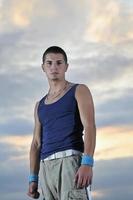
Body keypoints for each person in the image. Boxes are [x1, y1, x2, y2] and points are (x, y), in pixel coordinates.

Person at [27, 46, 96, 200]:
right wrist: (33, 178)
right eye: (49, 63)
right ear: (43, 67)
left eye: (59, 63)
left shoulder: (79, 90)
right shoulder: (40, 105)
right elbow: (36, 144)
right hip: (45, 168)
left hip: (70, 163)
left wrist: (87, 162)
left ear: (66, 66)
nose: (54, 67)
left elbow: (90, 127)